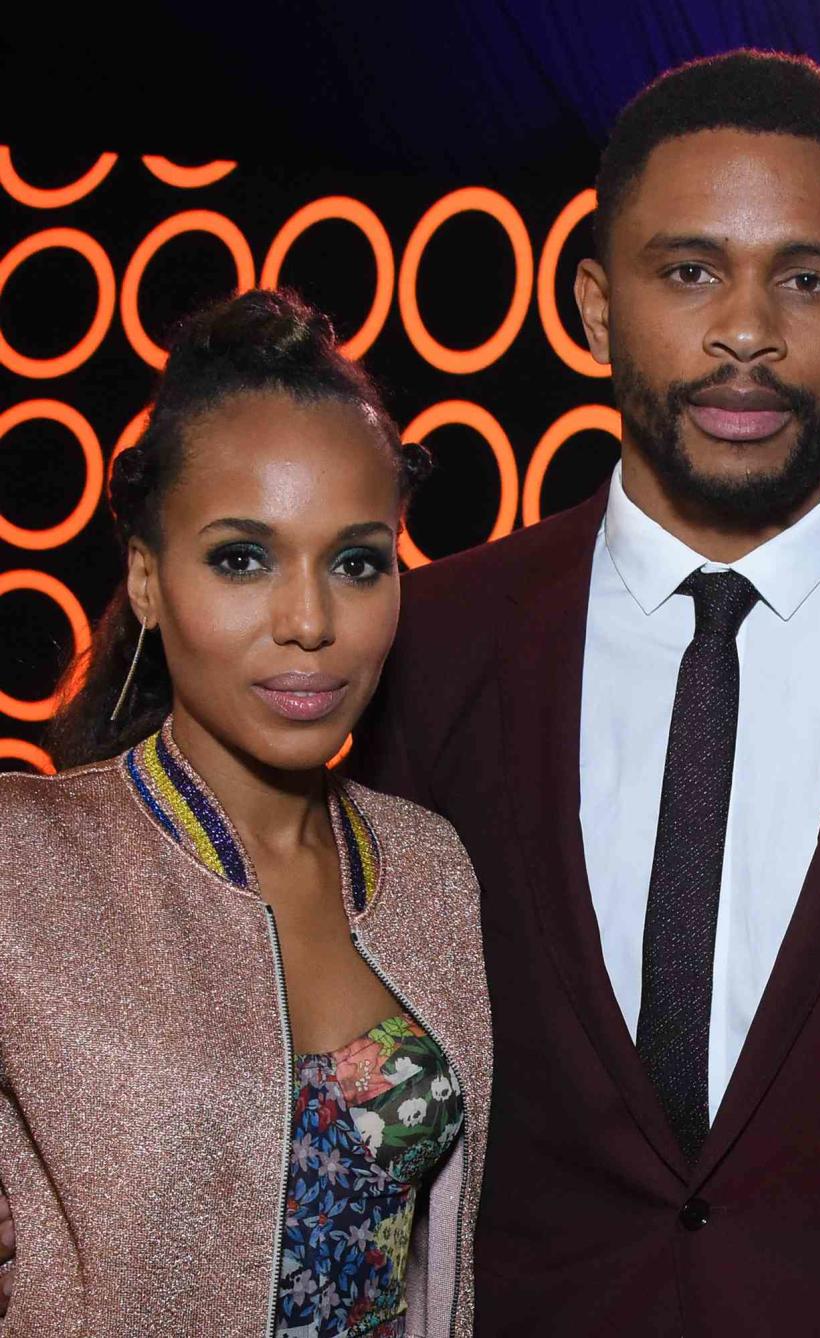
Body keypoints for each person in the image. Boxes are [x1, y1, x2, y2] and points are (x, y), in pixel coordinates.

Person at [347, 51, 820, 1335]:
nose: (746, 329)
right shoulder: (428, 639)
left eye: (807, 277)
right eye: (689, 271)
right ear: (594, 303)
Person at [0, 289, 490, 1336]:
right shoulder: (23, 865)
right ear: (145, 579)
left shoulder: (429, 866)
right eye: (241, 558)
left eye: (357, 563)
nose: (310, 622)